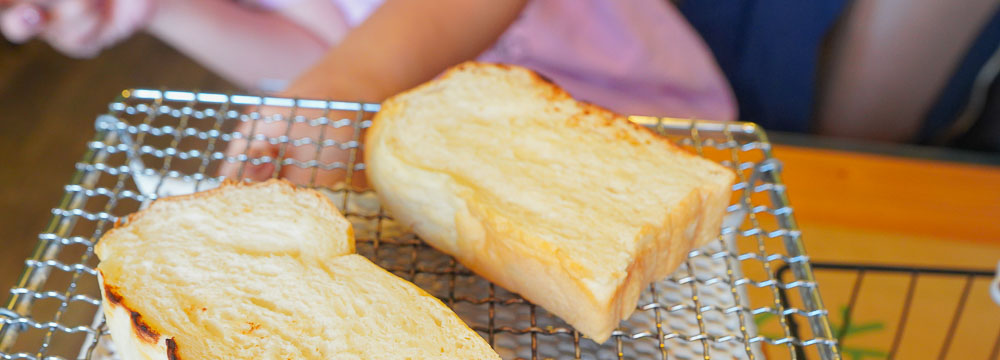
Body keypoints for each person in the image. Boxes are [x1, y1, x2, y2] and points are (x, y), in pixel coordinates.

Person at [1, 0, 737, 184]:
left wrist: (345, 85)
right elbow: (325, 43)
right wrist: (159, 8)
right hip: (472, 153)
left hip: (634, 119)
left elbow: (348, 68)